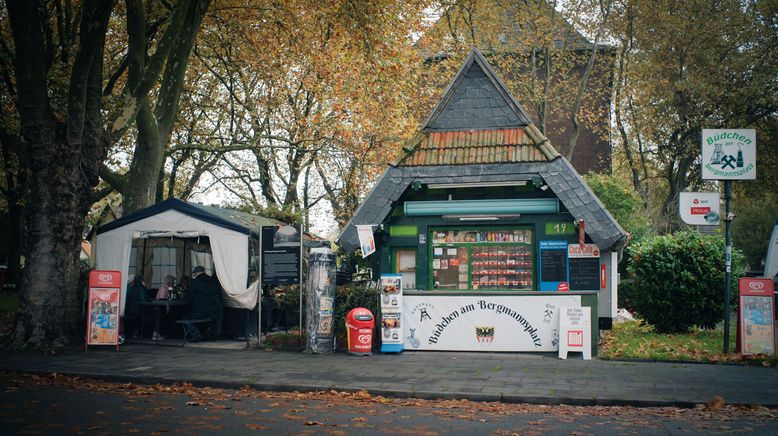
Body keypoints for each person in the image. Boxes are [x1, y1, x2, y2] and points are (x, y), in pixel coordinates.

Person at [185, 266, 222, 342]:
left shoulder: (194, 282)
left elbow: (189, 298)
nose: (194, 275)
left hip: (201, 312)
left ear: (197, 273)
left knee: (185, 317)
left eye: (194, 274)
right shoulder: (213, 281)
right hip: (214, 311)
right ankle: (207, 334)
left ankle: (195, 333)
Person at [123, 275, 148, 340]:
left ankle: (131, 333)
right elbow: (143, 298)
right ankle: (137, 333)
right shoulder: (141, 288)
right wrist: (145, 287)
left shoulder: (129, 287)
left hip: (127, 310)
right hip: (137, 311)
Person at [152, 274, 175, 341]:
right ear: (169, 282)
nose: (174, 283)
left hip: (163, 307)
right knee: (161, 316)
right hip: (159, 308)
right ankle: (156, 333)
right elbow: (162, 301)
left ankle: (165, 332)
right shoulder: (163, 288)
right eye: (173, 282)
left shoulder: (168, 288)